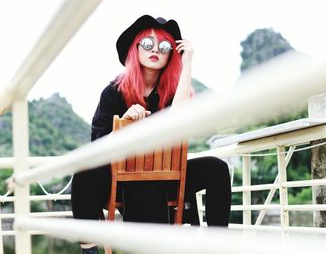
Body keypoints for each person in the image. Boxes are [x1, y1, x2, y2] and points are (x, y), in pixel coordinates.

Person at [71, 15, 231, 254]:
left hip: (165, 178)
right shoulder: (113, 93)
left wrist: (187, 64)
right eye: (147, 43)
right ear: (135, 49)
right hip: (121, 180)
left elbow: (179, 120)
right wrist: (124, 122)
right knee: (83, 175)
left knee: (217, 168)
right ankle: (89, 250)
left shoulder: (176, 92)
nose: (155, 49)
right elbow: (98, 145)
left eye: (164, 46)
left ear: (171, 55)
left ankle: (218, 246)